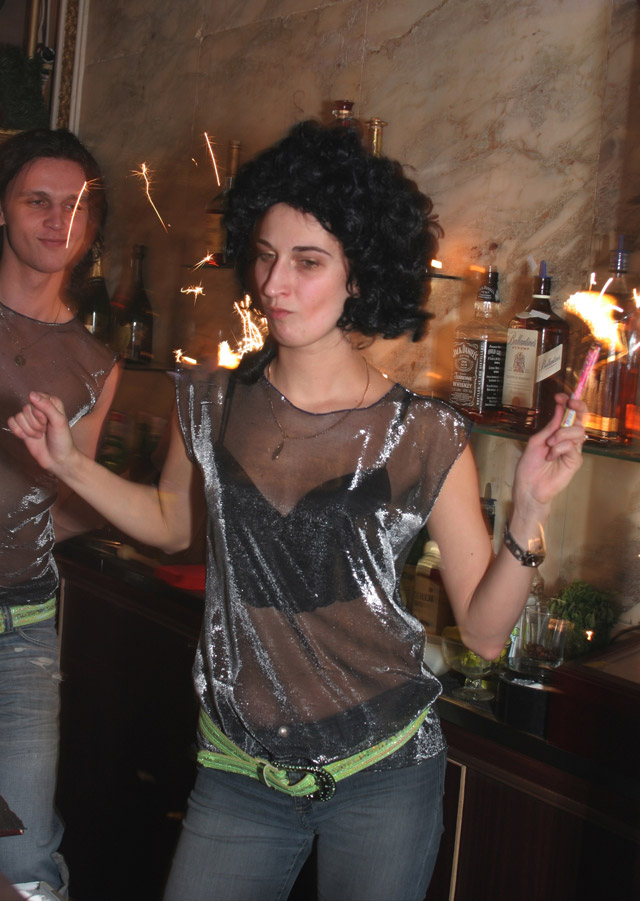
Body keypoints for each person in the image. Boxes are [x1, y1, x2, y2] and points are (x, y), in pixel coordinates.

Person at [8, 120, 586, 901]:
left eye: (308, 262)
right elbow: (171, 523)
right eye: (266, 255)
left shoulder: (426, 433)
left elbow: (484, 633)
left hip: (383, 771)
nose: (275, 284)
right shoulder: (208, 400)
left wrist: (528, 512)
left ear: (360, 275)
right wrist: (71, 464)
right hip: (238, 770)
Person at [0, 128, 120, 892]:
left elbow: (72, 504)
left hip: (20, 631)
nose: (56, 220)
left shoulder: (96, 365)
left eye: (73, 206)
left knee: (22, 863)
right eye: (36, 200)